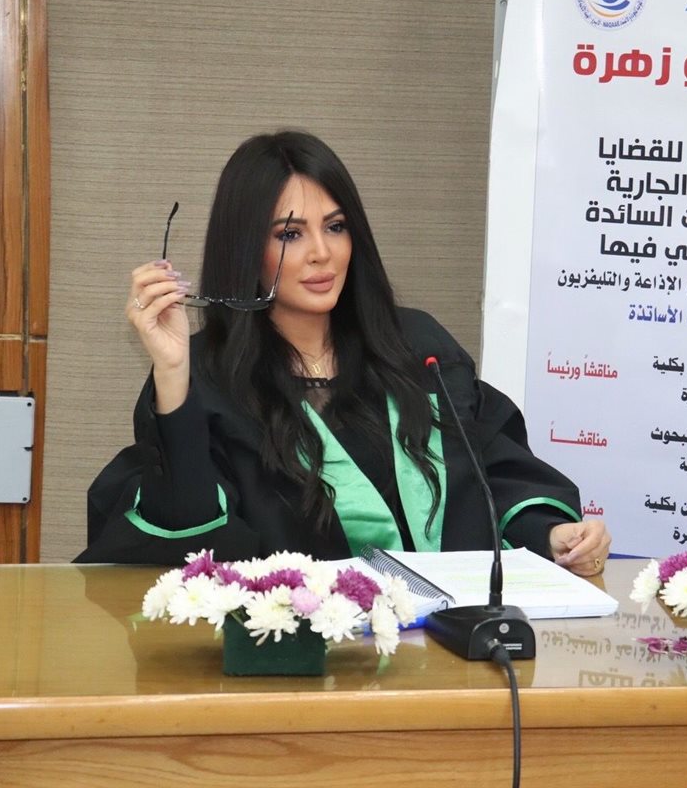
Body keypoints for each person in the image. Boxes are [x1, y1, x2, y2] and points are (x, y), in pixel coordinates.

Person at [77, 130, 611, 576]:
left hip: (452, 638)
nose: (321, 253)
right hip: (307, 649)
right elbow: (186, 541)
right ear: (245, 249)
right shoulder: (210, 380)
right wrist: (173, 372)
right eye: (290, 234)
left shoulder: (416, 347)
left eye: (335, 227)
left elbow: (491, 468)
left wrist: (551, 533)